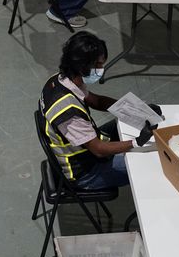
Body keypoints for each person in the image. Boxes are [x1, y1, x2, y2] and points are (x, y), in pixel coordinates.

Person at [39, 32, 157, 190]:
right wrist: (137, 142)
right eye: (98, 65)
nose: (102, 69)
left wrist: (136, 110)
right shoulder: (68, 113)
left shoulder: (61, 80)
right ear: (83, 66)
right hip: (86, 173)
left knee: (122, 125)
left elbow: (97, 101)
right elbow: (99, 150)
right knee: (151, 162)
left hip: (85, 146)